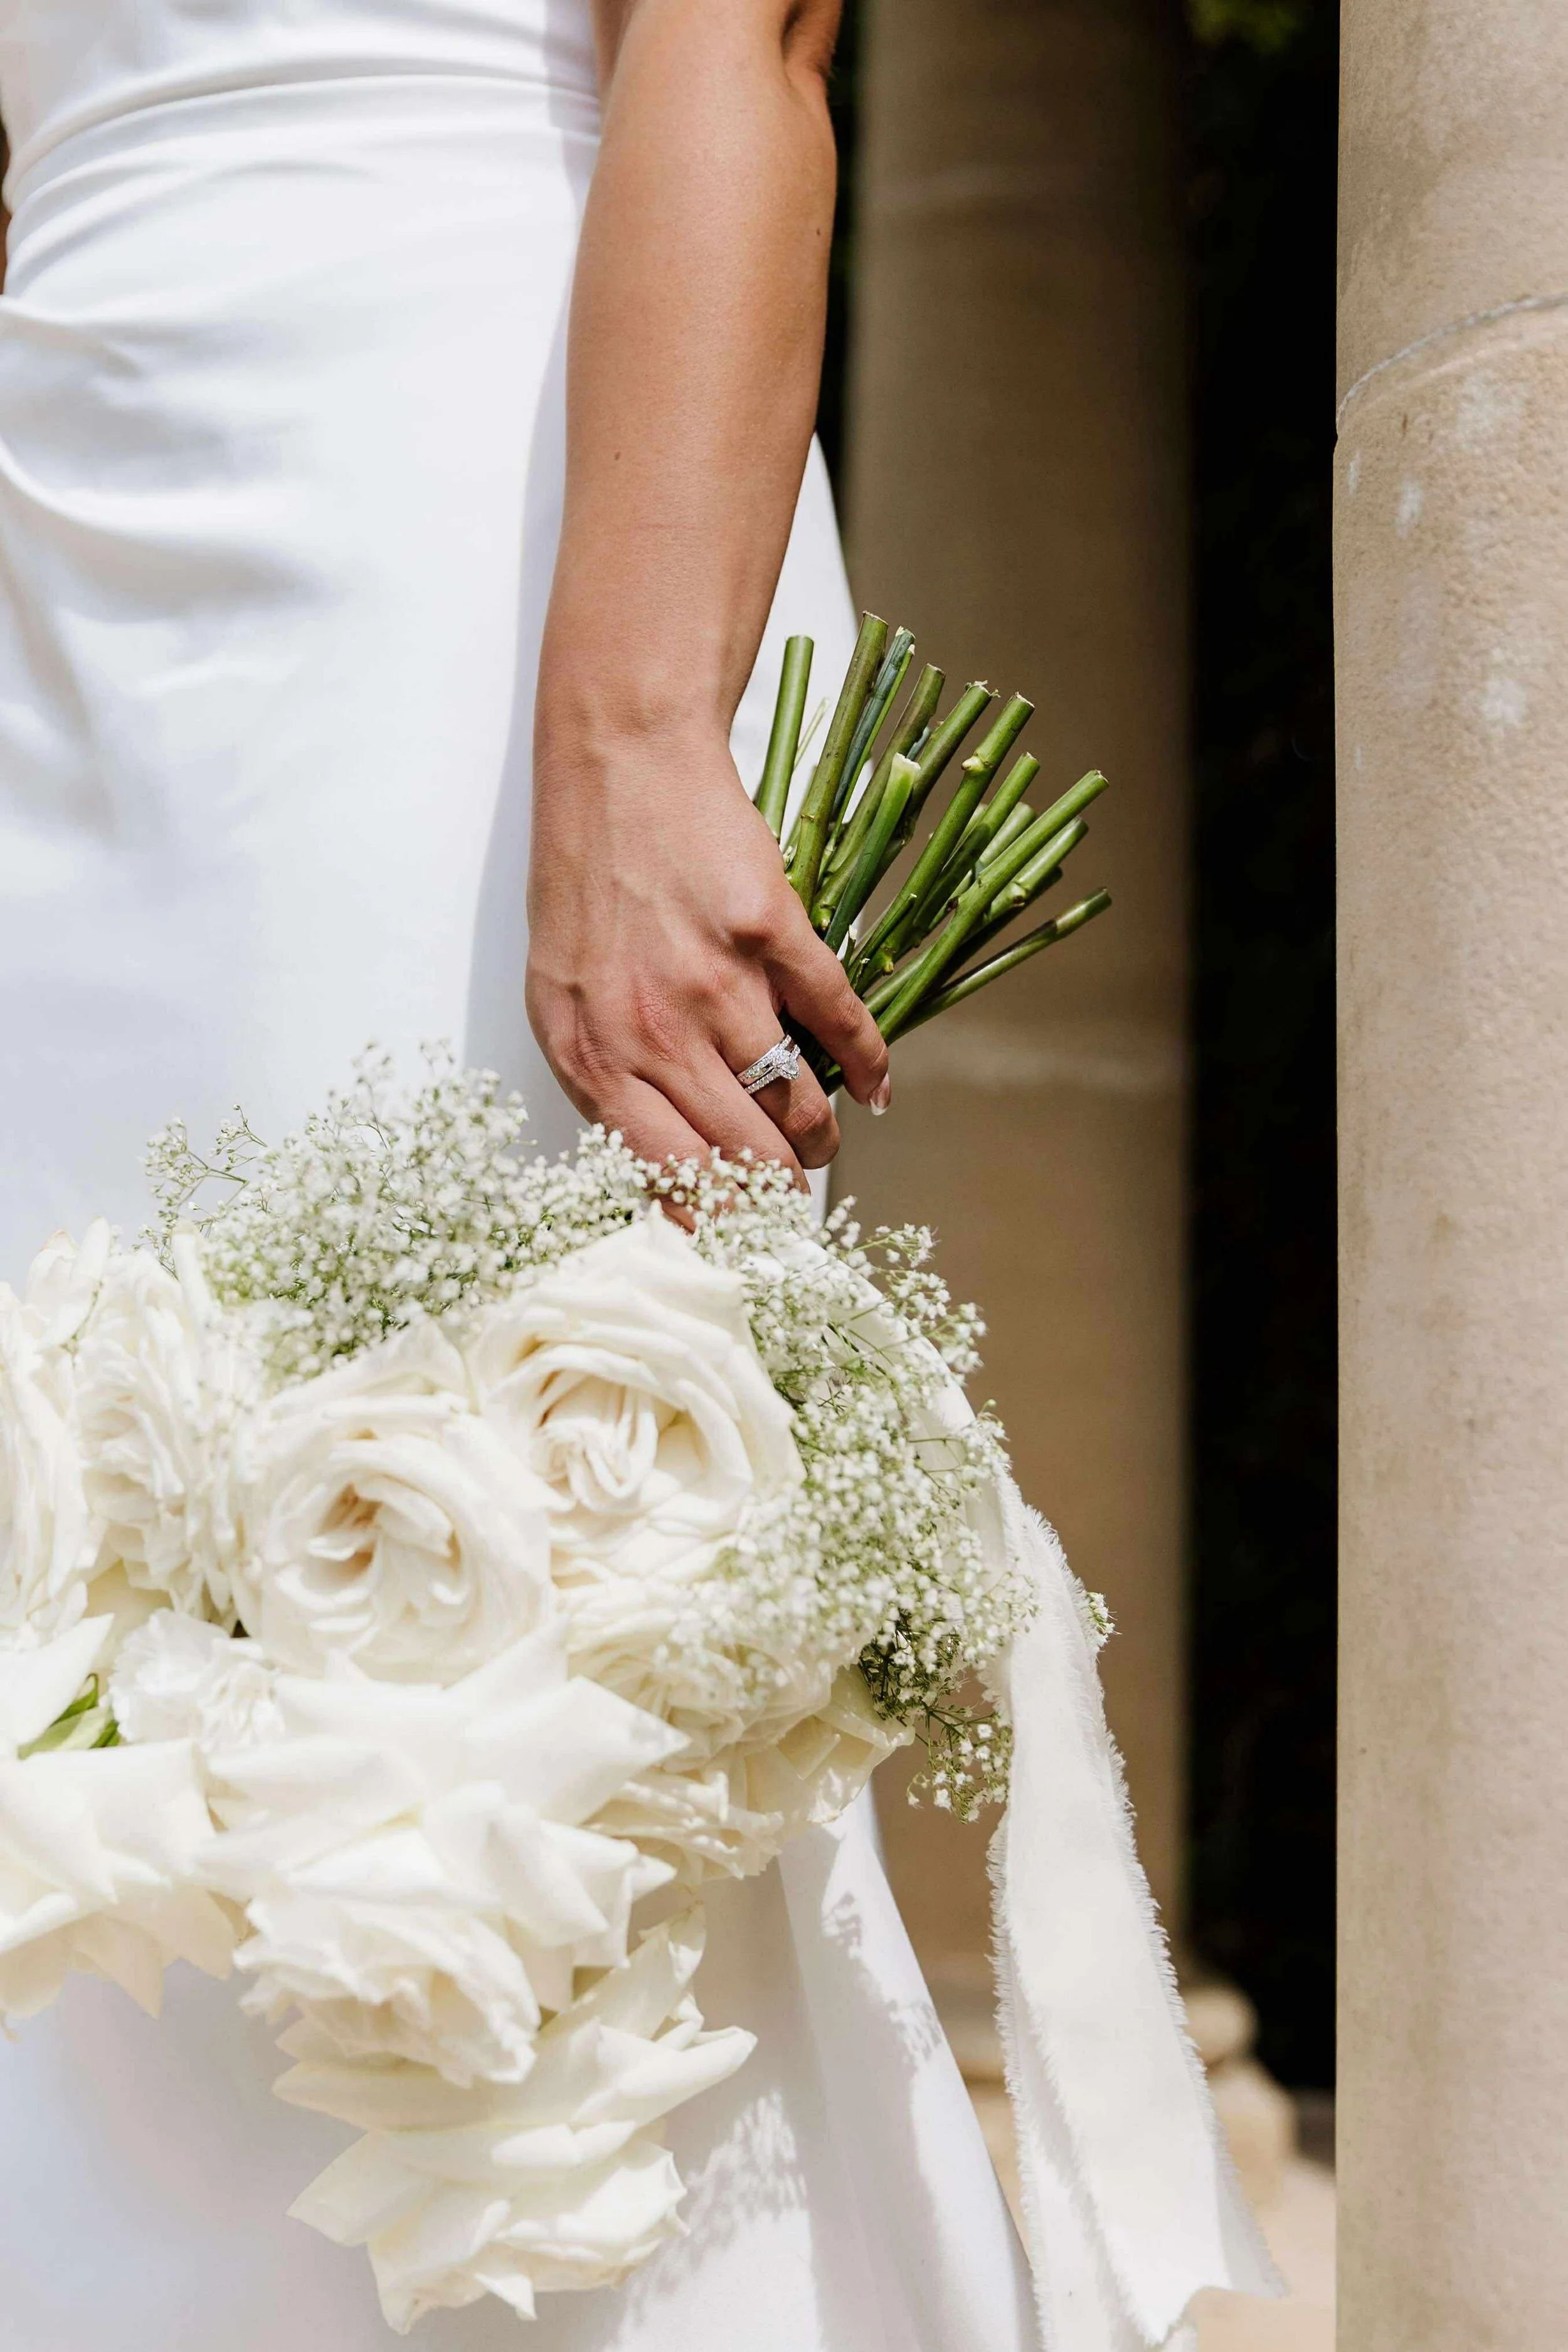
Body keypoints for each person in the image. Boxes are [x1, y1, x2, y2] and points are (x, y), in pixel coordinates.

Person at [0, 2, 1038, 2344]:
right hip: (70, 549)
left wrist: (637, 731)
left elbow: (734, 38)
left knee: (471, 1597)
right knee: (68, 1571)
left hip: (461, 509)